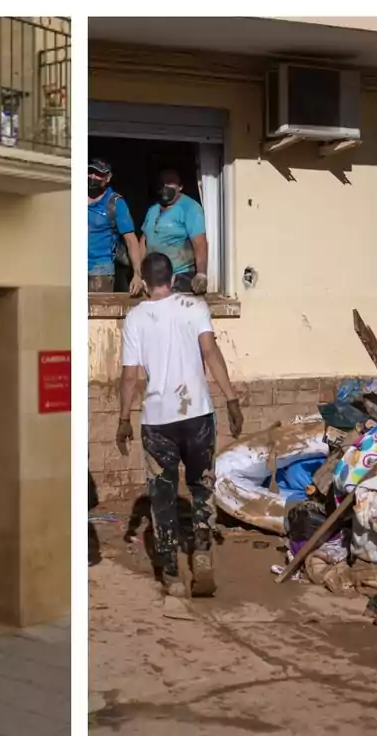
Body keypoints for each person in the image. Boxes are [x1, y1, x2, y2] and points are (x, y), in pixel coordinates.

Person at [115, 252, 243, 598]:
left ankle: (171, 575)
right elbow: (211, 353)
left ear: (142, 281)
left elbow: (130, 377)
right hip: (198, 416)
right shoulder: (195, 308)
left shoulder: (136, 318)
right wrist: (231, 399)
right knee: (202, 488)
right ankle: (201, 554)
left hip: (158, 422)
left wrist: (124, 418)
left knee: (163, 497)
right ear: (172, 280)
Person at [141, 168, 209, 295]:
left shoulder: (190, 208)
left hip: (180, 277)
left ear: (180, 186)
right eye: (162, 183)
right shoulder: (153, 210)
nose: (165, 186)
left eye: (170, 182)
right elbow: (144, 240)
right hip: (153, 277)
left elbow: (200, 243)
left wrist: (201, 274)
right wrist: (139, 274)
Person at [88, 158, 145, 296]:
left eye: (98, 174)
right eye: (90, 172)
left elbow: (131, 240)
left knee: (96, 313)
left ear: (108, 178)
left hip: (100, 270)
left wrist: (137, 274)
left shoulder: (115, 203)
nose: (92, 177)